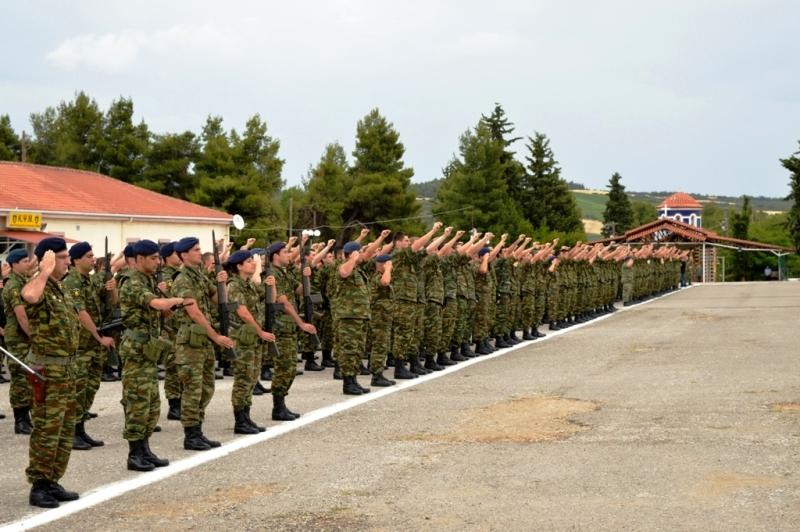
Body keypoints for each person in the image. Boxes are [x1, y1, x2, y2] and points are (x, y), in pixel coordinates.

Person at [21, 237, 81, 508]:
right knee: (47, 429)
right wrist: (43, 270)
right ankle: (39, 486)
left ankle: (53, 479)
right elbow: (30, 297)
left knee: (65, 429)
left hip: (67, 370)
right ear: (48, 259)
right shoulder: (39, 284)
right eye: (62, 257)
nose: (68, 261)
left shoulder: (60, 289)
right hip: (49, 370)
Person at [119, 240, 183, 470]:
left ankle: (145, 449)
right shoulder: (132, 281)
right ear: (139, 259)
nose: (158, 262)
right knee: (137, 401)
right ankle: (134, 454)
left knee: (151, 403)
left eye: (158, 257)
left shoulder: (148, 280)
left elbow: (160, 311)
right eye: (153, 258)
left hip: (148, 350)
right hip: (136, 350)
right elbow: (155, 304)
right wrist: (174, 300)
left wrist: (170, 306)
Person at [171, 237, 235, 451]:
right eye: (196, 250)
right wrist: (216, 336)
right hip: (191, 342)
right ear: (184, 255)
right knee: (192, 389)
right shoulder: (182, 279)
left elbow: (217, 298)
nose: (200, 253)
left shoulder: (198, 275)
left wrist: (222, 282)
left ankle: (198, 430)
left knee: (206, 387)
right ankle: (191, 435)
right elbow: (194, 312)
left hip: (203, 341)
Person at [62, 242, 116, 450]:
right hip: (81, 346)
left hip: (91, 346)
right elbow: (81, 312)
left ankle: (80, 429)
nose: (93, 259)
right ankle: (72, 433)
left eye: (93, 256)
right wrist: (99, 336)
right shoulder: (73, 282)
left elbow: (111, 303)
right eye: (88, 256)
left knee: (89, 389)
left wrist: (112, 288)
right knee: (78, 390)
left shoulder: (89, 281)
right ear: (75, 260)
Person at [225, 250, 275, 434]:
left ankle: (246, 416)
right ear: (239, 266)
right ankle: (240, 420)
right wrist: (260, 331)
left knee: (252, 377)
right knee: (243, 379)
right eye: (248, 261)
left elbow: (270, 298)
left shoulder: (249, 285)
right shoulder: (234, 285)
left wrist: (272, 285)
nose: (253, 264)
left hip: (252, 338)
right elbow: (242, 312)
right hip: (243, 338)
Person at [266, 241, 317, 420]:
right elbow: (284, 302)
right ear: (275, 256)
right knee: (284, 368)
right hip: (281, 327)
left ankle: (281, 405)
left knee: (290, 368)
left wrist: (306, 277)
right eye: (285, 252)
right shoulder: (271, 274)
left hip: (288, 327)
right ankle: (277, 407)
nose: (289, 255)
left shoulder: (285, 273)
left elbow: (300, 291)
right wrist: (301, 323)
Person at [331, 241, 372, 395]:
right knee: (349, 350)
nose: (361, 254)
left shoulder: (359, 270)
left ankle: (353, 379)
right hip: (348, 317)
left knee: (357, 350)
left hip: (360, 317)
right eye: (359, 252)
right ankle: (348, 383)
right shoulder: (342, 267)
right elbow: (343, 273)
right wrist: (352, 259)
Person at [2, 248, 34, 434]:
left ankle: (27, 417)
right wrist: (33, 336)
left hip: (25, 338)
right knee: (20, 379)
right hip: (18, 339)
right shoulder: (13, 285)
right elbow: (21, 316)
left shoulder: (24, 281)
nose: (27, 263)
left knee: (28, 379)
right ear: (14, 265)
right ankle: (20, 420)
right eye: (23, 261)